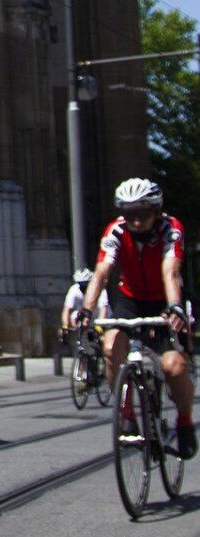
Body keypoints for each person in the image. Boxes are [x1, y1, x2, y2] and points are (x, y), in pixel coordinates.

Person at [78, 178, 195, 456]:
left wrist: (175, 307)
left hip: (164, 300)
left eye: (142, 213)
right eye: (130, 214)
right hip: (130, 300)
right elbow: (102, 272)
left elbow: (171, 272)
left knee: (174, 368)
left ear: (156, 210)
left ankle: (184, 422)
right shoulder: (116, 230)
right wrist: (86, 310)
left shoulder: (171, 229)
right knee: (110, 346)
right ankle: (127, 415)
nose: (136, 221)